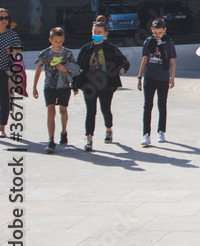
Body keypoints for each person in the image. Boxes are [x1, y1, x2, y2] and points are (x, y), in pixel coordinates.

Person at [75, 16, 129, 152]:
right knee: (90, 112)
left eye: (99, 32)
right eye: (95, 32)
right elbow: (78, 67)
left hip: (107, 85)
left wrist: (123, 67)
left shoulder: (111, 48)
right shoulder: (86, 49)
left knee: (105, 109)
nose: (96, 34)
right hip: (89, 85)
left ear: (105, 34)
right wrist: (74, 84)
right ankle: (89, 139)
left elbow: (123, 60)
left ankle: (108, 129)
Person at [32, 27, 79, 153]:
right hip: (49, 86)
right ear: (50, 40)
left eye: (60, 41)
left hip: (64, 86)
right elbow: (38, 69)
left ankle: (63, 132)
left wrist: (66, 69)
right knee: (50, 110)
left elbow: (75, 68)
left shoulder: (68, 53)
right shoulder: (45, 53)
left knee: (63, 110)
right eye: (56, 41)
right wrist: (34, 87)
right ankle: (51, 140)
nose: (58, 43)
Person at [137, 18, 176, 146]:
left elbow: (172, 61)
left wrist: (172, 77)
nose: (157, 35)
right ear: (152, 30)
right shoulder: (148, 42)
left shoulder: (169, 43)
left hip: (163, 78)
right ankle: (146, 134)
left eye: (159, 32)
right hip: (150, 76)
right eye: (155, 32)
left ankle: (161, 131)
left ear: (164, 30)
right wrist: (139, 77)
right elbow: (144, 60)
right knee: (147, 106)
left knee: (162, 105)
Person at [0, 8, 23, 139]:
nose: (4, 20)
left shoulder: (12, 34)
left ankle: (2, 128)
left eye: (6, 18)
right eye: (1, 18)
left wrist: (12, 50)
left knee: (4, 100)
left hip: (6, 71)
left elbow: (19, 50)